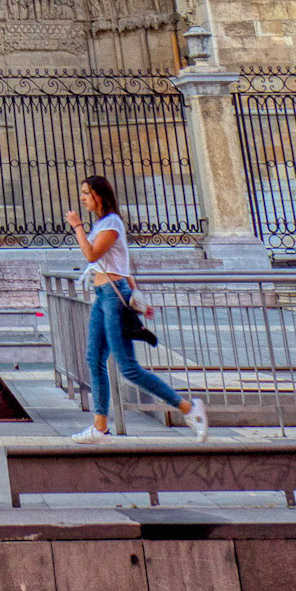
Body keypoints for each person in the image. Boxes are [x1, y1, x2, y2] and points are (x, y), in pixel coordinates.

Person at [65, 175, 208, 442]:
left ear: (100, 195)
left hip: (113, 298)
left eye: (86, 193)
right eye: (82, 193)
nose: (82, 198)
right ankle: (100, 426)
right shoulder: (102, 224)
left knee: (128, 368)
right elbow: (122, 264)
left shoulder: (111, 224)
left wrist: (77, 228)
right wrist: (138, 298)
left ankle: (189, 408)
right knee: (94, 360)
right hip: (104, 295)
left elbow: (92, 255)